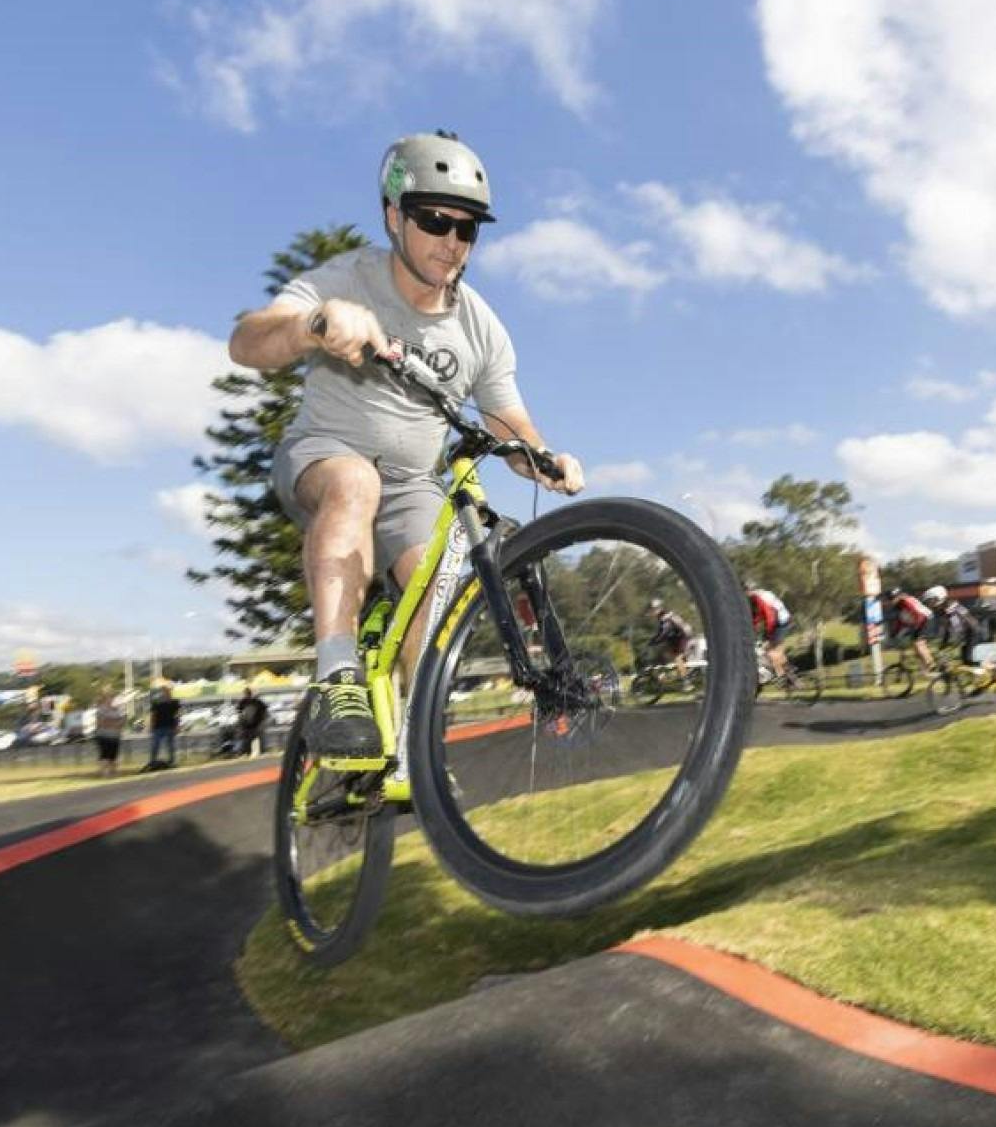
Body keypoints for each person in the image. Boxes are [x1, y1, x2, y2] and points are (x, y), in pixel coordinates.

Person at [228, 131, 585, 759]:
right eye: (433, 220)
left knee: (437, 578)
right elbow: (247, 342)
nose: (451, 242)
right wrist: (314, 325)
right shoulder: (348, 277)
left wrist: (545, 459)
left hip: (414, 485)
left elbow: (506, 419)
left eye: (467, 229)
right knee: (355, 484)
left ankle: (417, 740)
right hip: (325, 455)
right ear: (395, 216)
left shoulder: (481, 327)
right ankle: (338, 680)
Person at [747, 581, 797, 684]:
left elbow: (769, 616)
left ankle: (782, 675)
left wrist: (768, 635)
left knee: (770, 651)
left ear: (749, 590)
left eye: (745, 592)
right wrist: (753, 626)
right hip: (784, 620)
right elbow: (758, 615)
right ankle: (788, 672)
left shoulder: (758, 598)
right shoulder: (763, 594)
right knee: (777, 650)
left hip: (780, 622)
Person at [885, 586, 938, 673]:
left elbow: (918, 614)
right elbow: (900, 620)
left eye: (892, 599)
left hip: (925, 619)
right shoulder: (899, 605)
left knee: (918, 643)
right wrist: (894, 632)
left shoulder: (906, 601)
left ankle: (931, 665)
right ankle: (926, 665)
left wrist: (916, 627)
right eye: (890, 599)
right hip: (920, 621)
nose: (891, 601)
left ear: (898, 596)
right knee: (915, 644)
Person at [644, 599, 695, 669]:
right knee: (668, 654)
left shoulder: (666, 619)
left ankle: (685, 678)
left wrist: (654, 642)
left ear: (658, 609)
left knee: (678, 658)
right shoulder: (665, 617)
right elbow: (660, 633)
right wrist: (653, 640)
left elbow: (664, 633)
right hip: (681, 640)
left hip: (684, 641)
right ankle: (681, 673)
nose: (651, 613)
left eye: (652, 610)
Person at [146, 687, 181, 771]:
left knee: (171, 746)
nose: (166, 693)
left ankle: (171, 761)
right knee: (155, 745)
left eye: (168, 692)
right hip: (158, 727)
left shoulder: (174, 702)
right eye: (164, 692)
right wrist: (151, 725)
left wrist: (177, 725)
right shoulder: (156, 702)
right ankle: (152, 761)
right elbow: (153, 715)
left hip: (170, 726)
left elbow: (177, 714)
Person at [93, 694, 125, 777]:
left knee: (113, 756)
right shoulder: (101, 710)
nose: (110, 701)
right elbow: (100, 723)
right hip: (103, 736)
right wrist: (114, 723)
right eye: (108, 699)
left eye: (111, 699)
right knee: (105, 755)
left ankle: (113, 772)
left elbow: (122, 722)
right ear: (104, 700)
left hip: (115, 736)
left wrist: (111, 722)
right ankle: (104, 773)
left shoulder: (117, 710)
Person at [235, 687, 269, 758]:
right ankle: (249, 752)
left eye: (246, 693)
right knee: (251, 738)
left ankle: (247, 753)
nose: (246, 695)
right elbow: (239, 711)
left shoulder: (247, 701)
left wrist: (262, 719)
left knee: (250, 738)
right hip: (251, 724)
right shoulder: (253, 701)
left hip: (252, 724)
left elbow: (239, 712)